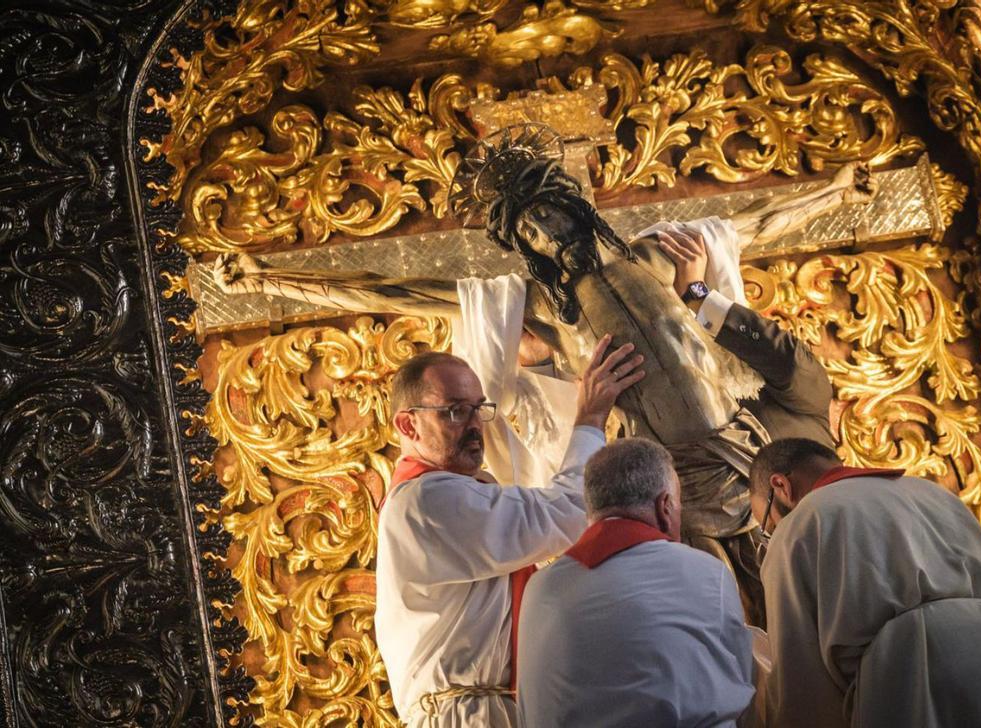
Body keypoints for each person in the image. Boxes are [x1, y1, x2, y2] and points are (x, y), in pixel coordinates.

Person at [212, 124, 867, 622]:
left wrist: (835, 192)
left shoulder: (656, 254)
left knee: (823, 609)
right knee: (729, 632)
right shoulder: (550, 312)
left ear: (572, 207)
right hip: (679, 498)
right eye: (530, 234)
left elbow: (752, 224)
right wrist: (271, 277)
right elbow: (396, 291)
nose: (546, 236)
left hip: (745, 459)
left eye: (547, 218)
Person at [374, 334, 644, 727]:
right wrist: (590, 416)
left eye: (478, 409)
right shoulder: (425, 501)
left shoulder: (462, 490)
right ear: (408, 424)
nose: (474, 425)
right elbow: (568, 511)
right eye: (455, 411)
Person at [749, 438, 981, 728]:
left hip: (919, 670)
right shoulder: (934, 493)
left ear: (781, 486)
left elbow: (801, 676)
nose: (773, 530)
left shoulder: (801, 524)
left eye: (767, 522)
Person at [517, 438, 754, 728]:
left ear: (591, 510)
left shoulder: (539, 588)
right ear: (665, 506)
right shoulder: (705, 571)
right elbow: (741, 679)